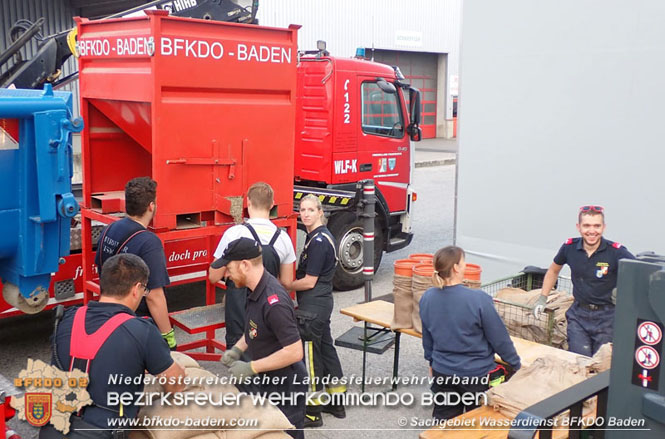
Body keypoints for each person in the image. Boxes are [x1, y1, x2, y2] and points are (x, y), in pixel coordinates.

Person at [40, 254, 185, 438]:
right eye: (144, 290)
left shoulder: (67, 318)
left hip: (51, 430)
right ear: (136, 289)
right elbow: (175, 383)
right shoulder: (141, 330)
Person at [214, 238, 306, 439]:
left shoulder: (274, 303)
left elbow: (294, 351)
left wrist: (251, 367)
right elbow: (254, 330)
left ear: (245, 265)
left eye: (229, 268)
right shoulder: (253, 290)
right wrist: (237, 350)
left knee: (286, 434)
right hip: (268, 380)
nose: (226, 275)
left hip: (286, 387)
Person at [420, 246, 521, 421]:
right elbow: (499, 339)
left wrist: (431, 361)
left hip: (442, 372)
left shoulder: (428, 297)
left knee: (445, 423)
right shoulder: (478, 299)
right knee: (478, 423)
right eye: (463, 262)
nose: (465, 266)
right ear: (456, 268)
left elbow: (427, 336)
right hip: (476, 375)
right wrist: (516, 365)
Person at [533, 205, 635, 356]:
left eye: (597, 226)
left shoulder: (616, 252)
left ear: (604, 227)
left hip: (607, 318)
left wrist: (622, 291)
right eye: (586, 225)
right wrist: (542, 298)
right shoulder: (569, 248)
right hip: (578, 315)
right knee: (578, 361)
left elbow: (638, 273)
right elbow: (553, 270)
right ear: (578, 227)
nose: (592, 231)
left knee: (601, 366)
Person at [208, 182, 296, 350]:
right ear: (272, 204)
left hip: (238, 318)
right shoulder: (283, 238)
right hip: (267, 314)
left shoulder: (234, 234)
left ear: (247, 203)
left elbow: (213, 277)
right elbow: (286, 282)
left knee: (240, 369)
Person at [94, 177, 176, 350]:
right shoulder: (149, 242)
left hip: (109, 317)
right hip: (135, 323)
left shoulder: (108, 229)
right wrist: (168, 336)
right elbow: (154, 296)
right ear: (151, 206)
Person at [285, 194, 345, 428]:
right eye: (302, 210)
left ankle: (312, 411)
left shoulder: (319, 242)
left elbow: (309, 281)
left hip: (313, 308)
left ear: (321, 212)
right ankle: (337, 401)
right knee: (326, 350)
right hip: (320, 305)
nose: (306, 214)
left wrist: (286, 285)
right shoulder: (318, 237)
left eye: (311, 210)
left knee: (310, 357)